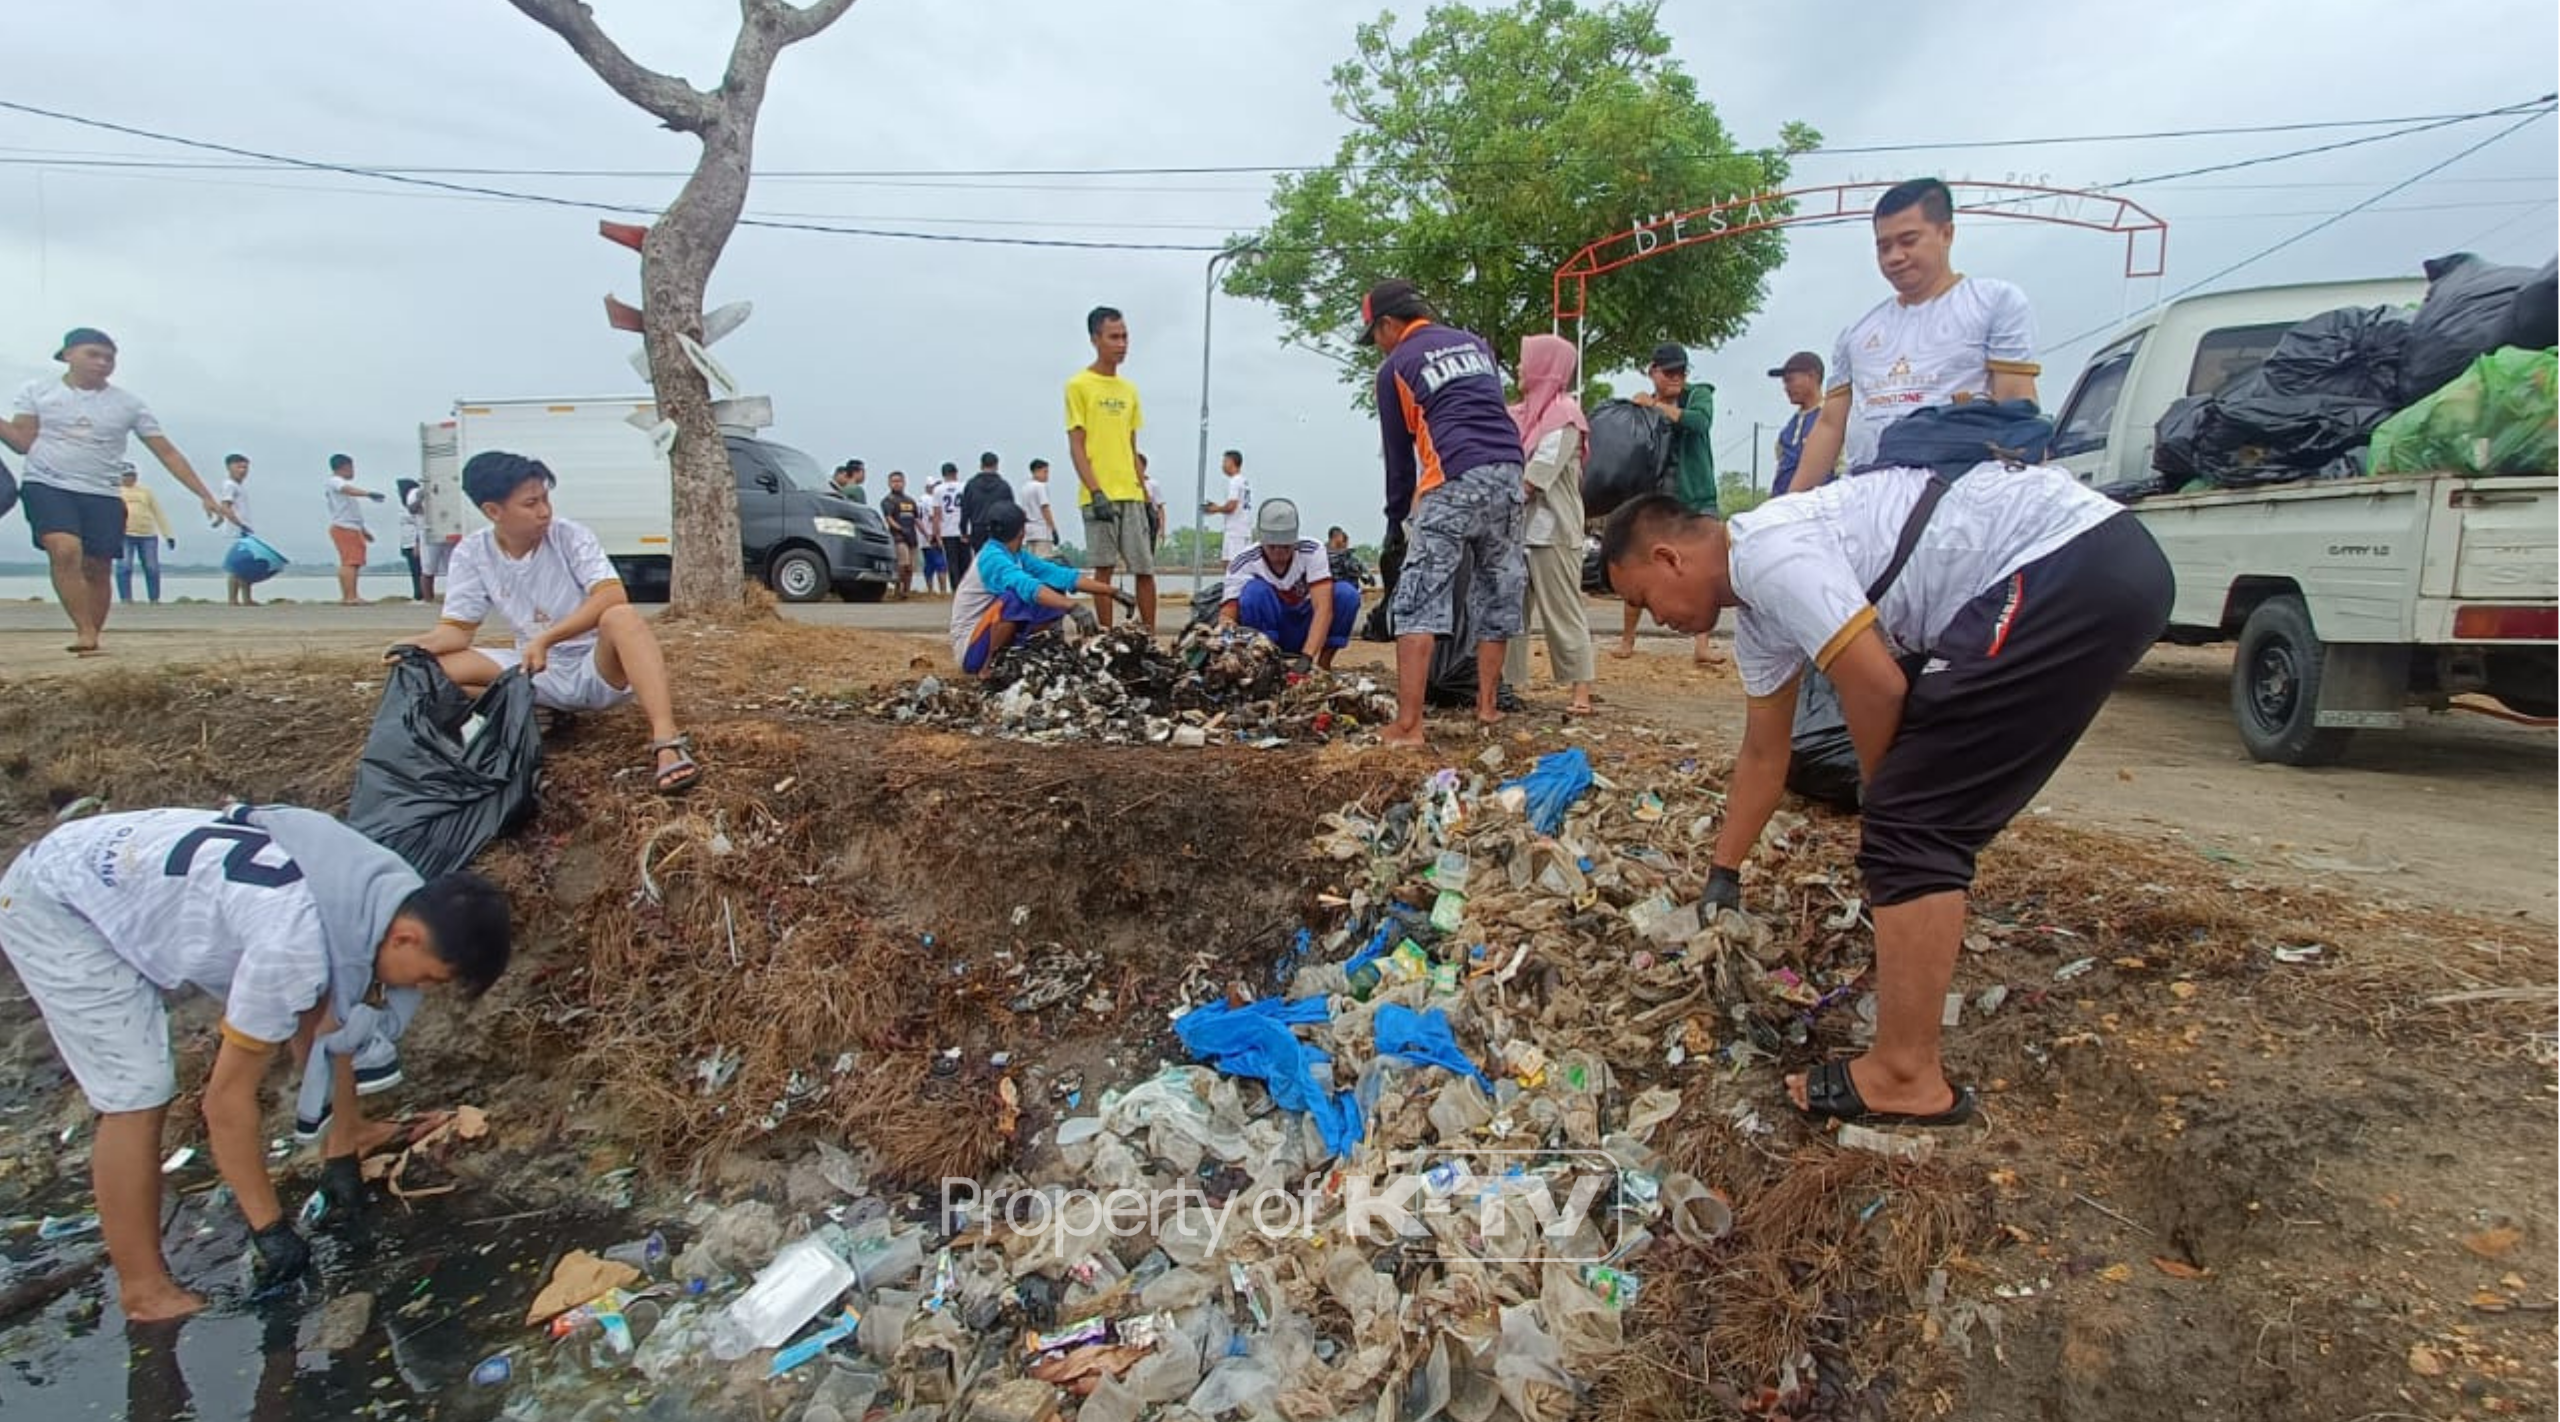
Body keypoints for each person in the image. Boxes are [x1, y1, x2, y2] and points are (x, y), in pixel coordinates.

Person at [1599, 459, 2171, 1128]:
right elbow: (1763, 752)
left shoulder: (1768, 553)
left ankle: (1904, 1075)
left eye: (1640, 599)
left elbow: (1876, 685)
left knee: (1913, 820)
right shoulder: (1758, 617)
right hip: (2091, 565)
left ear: (1669, 558)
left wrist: (1887, 813)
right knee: (1922, 813)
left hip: (2063, 563)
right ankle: (1916, 958)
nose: (1650, 619)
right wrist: (1723, 871)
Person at [0, 803, 512, 1320]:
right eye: (428, 979)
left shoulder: (378, 888)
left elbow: (329, 1011)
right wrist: (270, 1229)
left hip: (121, 862)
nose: (419, 991)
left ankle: (348, 1132)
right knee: (138, 1090)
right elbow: (224, 1101)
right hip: (56, 904)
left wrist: (340, 1151)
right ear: (407, 937)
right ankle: (143, 1290)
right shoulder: (293, 946)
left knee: (320, 991)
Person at [393, 451, 703, 795]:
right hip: (536, 672)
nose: (544, 511)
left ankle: (666, 742)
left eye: (545, 499)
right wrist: (418, 646)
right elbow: (457, 631)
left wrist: (546, 639)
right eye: (531, 503)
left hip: (595, 666)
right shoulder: (472, 553)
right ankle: (541, 713)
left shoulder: (569, 536)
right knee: (434, 670)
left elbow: (611, 596)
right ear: (493, 511)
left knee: (622, 617)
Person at [1358, 278, 1528, 746]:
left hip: (1452, 476)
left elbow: (1399, 458)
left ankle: (1409, 725)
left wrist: (1396, 520)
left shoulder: (1396, 366)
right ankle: (1487, 708)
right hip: (1511, 471)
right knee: (1497, 587)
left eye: (1375, 334)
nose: (1377, 345)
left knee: (1418, 598)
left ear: (1389, 324)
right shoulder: (1477, 345)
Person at [1791, 178, 2040, 490]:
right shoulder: (1857, 334)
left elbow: (2016, 407)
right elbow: (1829, 426)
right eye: (1884, 246)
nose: (1894, 256)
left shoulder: (1995, 302)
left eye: (1908, 241)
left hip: (1957, 492)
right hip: (1867, 495)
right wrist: (1787, 506)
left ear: (1946, 233)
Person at [2, 328, 230, 655]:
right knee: (64, 549)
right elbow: (22, 442)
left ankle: (93, 632)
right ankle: (83, 629)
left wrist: (205, 494)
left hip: (102, 491)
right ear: (68, 355)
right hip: (47, 482)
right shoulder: (38, 391)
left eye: (109, 358)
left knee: (98, 566)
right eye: (93, 354)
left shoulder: (128, 404)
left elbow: (166, 452)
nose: (102, 363)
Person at [1502, 334, 1596, 716]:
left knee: (1563, 612)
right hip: (1518, 533)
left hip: (1553, 532)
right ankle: (1505, 684)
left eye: (1527, 361)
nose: (1520, 368)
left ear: (1545, 367)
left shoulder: (1565, 417)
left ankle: (1581, 691)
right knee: (1510, 613)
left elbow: (1537, 475)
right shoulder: (1520, 415)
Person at [1614, 342, 1719, 665]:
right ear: (1653, 372)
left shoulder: (1699, 395)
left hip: (1696, 497)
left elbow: (1699, 422)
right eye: (1669, 371)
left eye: (1682, 371)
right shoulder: (1642, 408)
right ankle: (1627, 639)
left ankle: (1702, 645)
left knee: (1706, 569)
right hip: (1657, 500)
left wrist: (1655, 407)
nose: (1677, 377)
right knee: (1639, 563)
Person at [949, 500, 1131, 676]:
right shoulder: (991, 558)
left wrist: (1113, 592)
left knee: (1052, 590)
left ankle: (1021, 654)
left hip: (983, 637)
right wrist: (1072, 606)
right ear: (1021, 531)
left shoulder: (1015, 555)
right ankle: (988, 667)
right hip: (970, 649)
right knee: (1015, 598)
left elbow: (1061, 575)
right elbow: (1028, 587)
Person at [1065, 305, 1156, 631]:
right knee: (1103, 569)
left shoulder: (1129, 390)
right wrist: (1095, 490)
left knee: (1144, 569)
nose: (1121, 344)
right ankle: (1105, 636)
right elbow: (1077, 444)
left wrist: (1146, 497)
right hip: (1098, 494)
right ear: (1095, 339)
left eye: (1125, 336)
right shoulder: (1079, 386)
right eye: (1114, 337)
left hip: (1129, 492)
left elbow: (1131, 447)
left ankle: (1148, 636)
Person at [1221, 497, 1358, 671]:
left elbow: (1323, 607)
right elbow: (1227, 616)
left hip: (1306, 626)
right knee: (1254, 593)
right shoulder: (1243, 562)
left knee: (1346, 595)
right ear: (1262, 541)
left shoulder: (1312, 550)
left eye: (1286, 547)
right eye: (1272, 547)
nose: (1279, 554)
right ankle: (1267, 663)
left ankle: (1323, 664)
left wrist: (1307, 657)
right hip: (1268, 631)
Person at [323, 453, 388, 606]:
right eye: (352, 467)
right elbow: (347, 489)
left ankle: (348, 596)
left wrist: (363, 530)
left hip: (349, 526)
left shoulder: (336, 484)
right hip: (344, 527)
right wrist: (368, 494)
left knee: (349, 562)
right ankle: (351, 596)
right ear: (345, 467)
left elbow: (351, 511)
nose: (353, 471)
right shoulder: (335, 481)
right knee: (351, 563)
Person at [114, 465, 176, 605]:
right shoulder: (115, 491)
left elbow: (158, 512)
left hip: (147, 534)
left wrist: (168, 535)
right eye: (126, 475)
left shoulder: (145, 491)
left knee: (151, 567)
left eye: (132, 475)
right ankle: (126, 598)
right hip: (124, 534)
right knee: (125, 566)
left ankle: (154, 598)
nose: (130, 478)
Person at [1768, 351, 1825, 497]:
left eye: (1790, 380)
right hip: (1784, 507)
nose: (1786, 388)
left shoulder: (1832, 419)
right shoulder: (1787, 431)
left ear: (1812, 376)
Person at [216, 453, 258, 607]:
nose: (243, 470)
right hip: (237, 531)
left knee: (246, 565)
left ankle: (247, 598)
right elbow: (226, 506)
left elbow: (223, 508)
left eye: (245, 467)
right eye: (239, 467)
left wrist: (219, 519)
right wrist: (238, 524)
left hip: (246, 529)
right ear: (229, 467)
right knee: (237, 566)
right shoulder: (229, 485)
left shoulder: (239, 486)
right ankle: (233, 599)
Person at [1202, 449, 1253, 564]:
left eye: (1224, 462)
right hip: (1244, 529)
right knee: (1234, 563)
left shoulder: (1234, 481)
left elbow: (1231, 506)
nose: (1222, 466)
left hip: (1235, 531)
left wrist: (1215, 509)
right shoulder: (1244, 481)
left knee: (1232, 564)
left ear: (1231, 462)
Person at [879, 470, 922, 599]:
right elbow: (889, 519)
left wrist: (927, 533)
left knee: (910, 567)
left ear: (904, 483)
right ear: (889, 483)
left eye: (899, 481)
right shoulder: (888, 501)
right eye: (894, 481)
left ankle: (906, 591)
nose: (897, 484)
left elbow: (917, 519)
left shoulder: (910, 501)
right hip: (898, 537)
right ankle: (897, 588)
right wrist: (900, 528)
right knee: (903, 564)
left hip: (912, 537)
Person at [959, 451, 1015, 552]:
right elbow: (1011, 511)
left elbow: (965, 509)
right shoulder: (1004, 486)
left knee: (980, 560)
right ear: (997, 466)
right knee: (997, 558)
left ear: (981, 465)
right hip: (998, 529)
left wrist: (963, 531)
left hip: (977, 528)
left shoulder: (971, 485)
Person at [933, 461, 969, 584]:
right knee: (965, 561)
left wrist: (936, 533)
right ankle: (965, 587)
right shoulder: (964, 486)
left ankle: (955, 587)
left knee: (952, 562)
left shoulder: (938, 489)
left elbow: (937, 514)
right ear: (956, 473)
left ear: (943, 474)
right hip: (963, 529)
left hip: (947, 530)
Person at [918, 466, 950, 592]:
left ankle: (930, 589)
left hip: (925, 538)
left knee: (930, 564)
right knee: (940, 564)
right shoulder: (929, 499)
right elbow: (934, 517)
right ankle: (942, 590)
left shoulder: (921, 499)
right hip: (932, 536)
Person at [1019, 458, 1059, 557]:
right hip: (1042, 531)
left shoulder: (1024, 488)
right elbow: (1045, 508)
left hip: (1029, 531)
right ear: (1036, 471)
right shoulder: (1040, 486)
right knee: (1043, 562)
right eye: (1045, 472)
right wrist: (1053, 529)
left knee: (1031, 564)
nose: (1047, 475)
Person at [396, 478, 428, 602]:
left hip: (415, 541)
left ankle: (421, 594)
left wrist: (418, 543)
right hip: (406, 541)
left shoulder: (415, 502)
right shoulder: (403, 504)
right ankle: (417, 593)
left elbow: (419, 524)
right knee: (414, 570)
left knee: (420, 569)